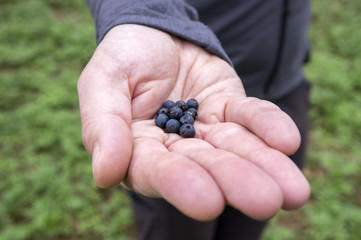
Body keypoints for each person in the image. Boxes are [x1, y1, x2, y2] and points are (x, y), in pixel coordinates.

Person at [78, 0, 311, 239]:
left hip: (283, 90)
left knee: (251, 215)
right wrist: (144, 14)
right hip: (192, 63)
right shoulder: (179, 116)